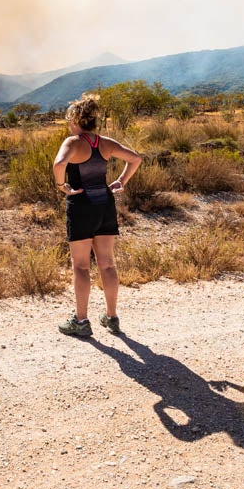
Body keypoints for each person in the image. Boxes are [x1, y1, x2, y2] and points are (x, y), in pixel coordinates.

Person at [52, 93, 142, 337]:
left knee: (81, 267)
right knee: (107, 263)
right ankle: (111, 318)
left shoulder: (72, 142)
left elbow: (59, 165)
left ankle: (81, 322)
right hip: (104, 204)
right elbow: (135, 159)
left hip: (81, 205)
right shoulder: (106, 143)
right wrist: (122, 181)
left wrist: (62, 186)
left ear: (75, 120)